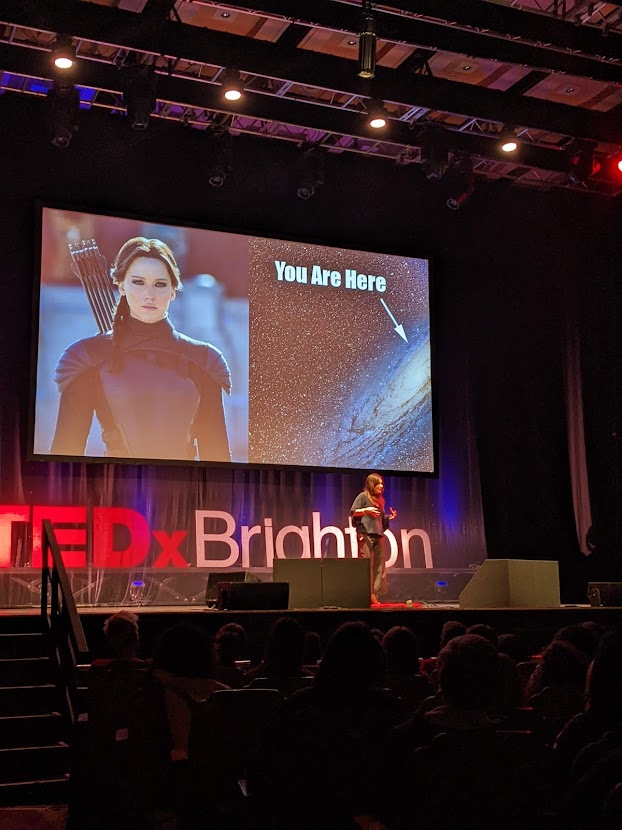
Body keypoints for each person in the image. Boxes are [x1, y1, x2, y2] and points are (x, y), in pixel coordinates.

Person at [50, 237, 231, 461]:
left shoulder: (204, 359)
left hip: (184, 493)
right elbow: (64, 455)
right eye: (138, 282)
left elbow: (217, 455)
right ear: (121, 286)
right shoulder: (86, 357)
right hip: (112, 492)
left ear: (173, 291)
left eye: (160, 284)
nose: (149, 294)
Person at [351, 473, 397, 604]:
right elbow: (355, 512)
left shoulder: (380, 501)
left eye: (382, 484)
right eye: (378, 484)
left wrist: (389, 518)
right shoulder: (363, 496)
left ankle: (374, 594)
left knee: (379, 567)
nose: (381, 486)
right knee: (366, 565)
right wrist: (366, 510)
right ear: (371, 484)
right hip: (365, 535)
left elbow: (380, 519)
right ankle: (366, 593)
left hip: (377, 535)